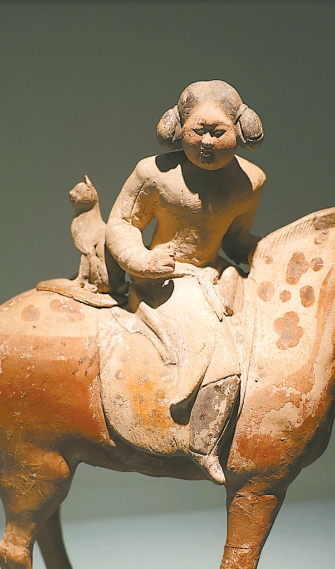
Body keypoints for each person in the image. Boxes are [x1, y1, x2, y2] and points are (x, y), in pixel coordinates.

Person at [105, 80, 265, 484]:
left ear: (240, 129)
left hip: (215, 274)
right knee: (220, 352)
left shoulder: (250, 181)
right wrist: (143, 260)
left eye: (217, 132)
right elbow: (122, 224)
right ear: (178, 129)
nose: (206, 142)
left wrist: (268, 253)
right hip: (166, 278)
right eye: (199, 131)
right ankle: (202, 443)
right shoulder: (154, 174)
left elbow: (237, 239)